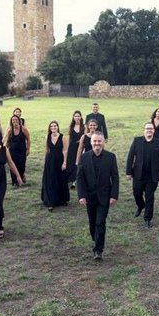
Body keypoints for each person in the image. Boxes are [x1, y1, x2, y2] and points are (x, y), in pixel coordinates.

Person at [77, 131, 119, 260]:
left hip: (104, 197)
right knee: (92, 223)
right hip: (89, 197)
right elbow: (80, 178)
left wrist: (114, 195)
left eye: (99, 141)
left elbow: (115, 177)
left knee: (100, 222)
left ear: (103, 142)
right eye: (94, 141)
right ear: (91, 142)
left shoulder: (111, 157)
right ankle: (96, 238)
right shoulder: (84, 158)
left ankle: (98, 250)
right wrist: (81, 195)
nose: (97, 143)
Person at [126, 122, 159, 228]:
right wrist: (128, 172)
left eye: (151, 129)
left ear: (154, 130)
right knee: (136, 193)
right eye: (147, 128)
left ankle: (147, 219)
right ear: (144, 130)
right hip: (138, 175)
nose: (149, 130)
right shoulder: (137, 141)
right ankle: (140, 205)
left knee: (149, 197)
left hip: (152, 176)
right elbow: (130, 157)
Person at [41, 120, 70, 211]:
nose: (53, 128)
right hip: (50, 160)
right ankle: (50, 200)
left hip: (59, 160)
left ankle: (61, 199)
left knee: (59, 179)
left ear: (57, 127)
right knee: (50, 180)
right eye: (51, 126)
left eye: (55, 126)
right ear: (49, 128)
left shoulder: (62, 137)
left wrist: (65, 162)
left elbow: (65, 150)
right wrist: (45, 161)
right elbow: (46, 150)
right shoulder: (47, 137)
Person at [3, 115, 31, 186]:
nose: (15, 121)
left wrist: (28, 149)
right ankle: (15, 182)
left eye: (16, 120)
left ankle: (22, 176)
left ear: (19, 121)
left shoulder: (23, 129)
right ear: (11, 122)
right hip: (12, 151)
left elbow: (28, 139)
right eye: (13, 120)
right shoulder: (10, 130)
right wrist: (5, 149)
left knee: (21, 165)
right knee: (13, 165)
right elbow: (7, 141)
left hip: (22, 150)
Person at [66, 110, 85, 188]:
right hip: (72, 147)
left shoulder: (84, 127)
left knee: (77, 163)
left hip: (80, 147)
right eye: (75, 116)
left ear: (81, 117)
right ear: (73, 117)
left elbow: (85, 137)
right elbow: (69, 138)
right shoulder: (70, 127)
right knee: (70, 162)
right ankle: (69, 179)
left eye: (78, 116)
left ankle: (75, 181)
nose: (77, 118)